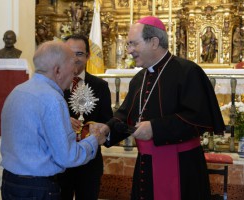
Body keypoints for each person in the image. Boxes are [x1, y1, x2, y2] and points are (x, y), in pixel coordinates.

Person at [90, 16, 225, 200]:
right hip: (146, 164)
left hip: (182, 167)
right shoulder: (139, 79)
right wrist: (107, 129)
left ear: (154, 42)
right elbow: (126, 114)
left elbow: (198, 119)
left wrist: (155, 128)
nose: (129, 51)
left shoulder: (188, 72)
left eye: (133, 44)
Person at [0, 40, 106, 200]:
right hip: (37, 188)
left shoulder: (17, 90)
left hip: (10, 182)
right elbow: (67, 156)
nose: (74, 75)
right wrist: (94, 140)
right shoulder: (53, 99)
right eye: (72, 69)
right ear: (57, 70)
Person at [58, 34, 113, 200]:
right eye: (70, 53)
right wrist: (62, 120)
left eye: (80, 54)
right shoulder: (55, 83)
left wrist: (97, 127)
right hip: (61, 160)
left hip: (89, 161)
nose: (74, 58)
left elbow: (107, 121)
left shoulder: (100, 86)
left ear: (88, 56)